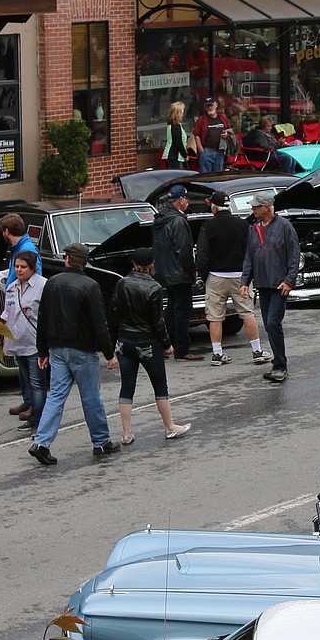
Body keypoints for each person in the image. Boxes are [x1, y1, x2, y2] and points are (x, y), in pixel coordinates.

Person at [28, 243, 119, 466]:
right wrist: (109, 353)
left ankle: (41, 442)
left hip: (56, 348)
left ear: (67, 259)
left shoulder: (52, 283)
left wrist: (42, 350)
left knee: (56, 396)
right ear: (84, 262)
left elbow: (44, 317)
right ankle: (101, 441)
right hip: (82, 349)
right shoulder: (91, 286)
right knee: (90, 397)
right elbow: (100, 323)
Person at [110, 246, 191, 445]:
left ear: (133, 264)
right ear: (151, 264)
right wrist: (166, 344)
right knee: (160, 387)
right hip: (146, 343)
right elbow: (158, 322)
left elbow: (113, 311)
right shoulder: (154, 288)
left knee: (127, 387)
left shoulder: (122, 283)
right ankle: (169, 427)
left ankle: (127, 433)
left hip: (124, 341)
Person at [194, 191, 269, 368]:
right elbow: (252, 251)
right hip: (240, 276)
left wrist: (204, 276)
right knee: (247, 313)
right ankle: (257, 350)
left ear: (214, 206)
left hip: (216, 276)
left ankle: (217, 353)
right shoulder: (243, 225)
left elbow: (202, 255)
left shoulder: (208, 226)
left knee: (215, 316)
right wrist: (249, 275)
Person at [240, 191, 300, 384]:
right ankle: (277, 363)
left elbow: (293, 254)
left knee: (274, 322)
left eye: (256, 206)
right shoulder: (254, 228)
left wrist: (290, 280)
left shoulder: (284, 226)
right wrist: (244, 282)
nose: (253, 209)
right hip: (263, 285)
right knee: (268, 324)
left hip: (279, 285)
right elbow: (249, 257)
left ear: (267, 207)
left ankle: (281, 365)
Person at [151, 186, 202, 362]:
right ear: (181, 200)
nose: (187, 202)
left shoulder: (160, 219)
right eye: (186, 199)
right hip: (179, 273)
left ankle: (164, 345)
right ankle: (182, 350)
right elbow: (184, 250)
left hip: (165, 271)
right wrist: (193, 270)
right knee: (182, 312)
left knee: (170, 310)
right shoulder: (178, 221)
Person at [1, 250, 48, 428]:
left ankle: (37, 419)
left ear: (33, 268)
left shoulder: (43, 285)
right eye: (17, 266)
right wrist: (5, 341)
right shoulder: (12, 287)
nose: (19, 270)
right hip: (17, 342)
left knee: (37, 383)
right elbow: (7, 314)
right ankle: (32, 410)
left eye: (23, 267)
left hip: (35, 343)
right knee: (26, 380)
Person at [195, 96, 233, 174]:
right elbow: (196, 135)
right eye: (207, 106)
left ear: (216, 105)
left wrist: (227, 135)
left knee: (218, 176)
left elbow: (229, 131)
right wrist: (201, 149)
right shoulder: (201, 119)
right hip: (206, 151)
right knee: (204, 176)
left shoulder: (222, 118)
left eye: (211, 105)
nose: (209, 107)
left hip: (220, 151)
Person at [162, 101, 196, 170]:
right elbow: (178, 142)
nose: (183, 112)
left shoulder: (173, 125)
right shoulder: (175, 126)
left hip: (174, 155)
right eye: (182, 110)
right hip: (175, 155)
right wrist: (185, 155)